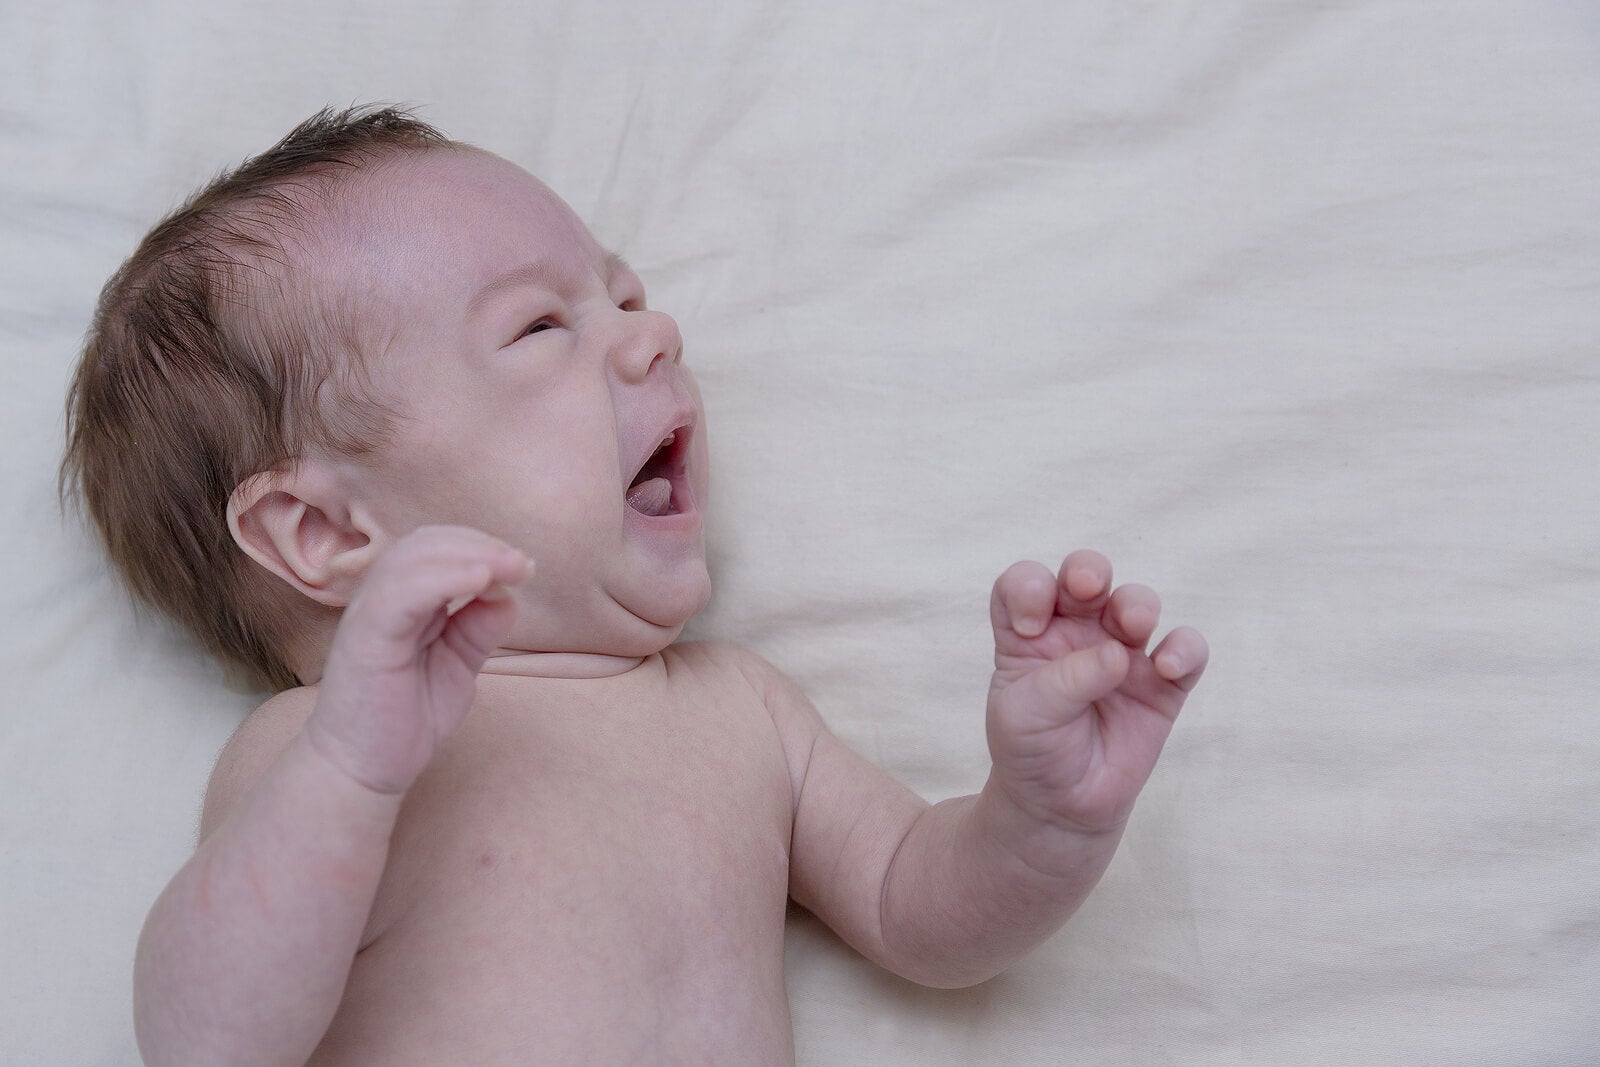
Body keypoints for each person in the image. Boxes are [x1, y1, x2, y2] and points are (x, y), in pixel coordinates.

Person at [63, 106, 1210, 1065]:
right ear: (320, 530)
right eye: (539, 326)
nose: (651, 331)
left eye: (624, 292)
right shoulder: (314, 756)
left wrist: (1042, 815)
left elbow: (926, 914)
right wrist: (353, 766)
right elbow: (205, 1036)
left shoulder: (738, 710)